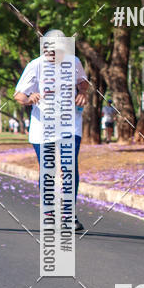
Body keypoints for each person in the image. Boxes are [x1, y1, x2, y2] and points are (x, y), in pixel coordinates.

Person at [14, 30, 89, 231]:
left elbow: (83, 82)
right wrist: (30, 99)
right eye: (51, 51)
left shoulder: (73, 62)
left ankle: (68, 215)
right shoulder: (35, 65)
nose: (55, 55)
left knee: (69, 167)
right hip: (43, 126)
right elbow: (19, 95)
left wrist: (82, 92)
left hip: (69, 124)